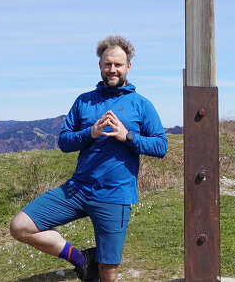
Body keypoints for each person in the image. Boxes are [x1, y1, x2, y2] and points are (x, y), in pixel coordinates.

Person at [10, 35, 168, 281]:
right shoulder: (84, 101)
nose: (112, 69)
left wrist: (128, 137)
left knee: (108, 271)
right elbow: (64, 141)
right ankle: (82, 260)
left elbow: (160, 145)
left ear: (128, 67)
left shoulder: (141, 105)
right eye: (108, 64)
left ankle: (96, 265)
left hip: (114, 196)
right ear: (100, 66)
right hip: (78, 189)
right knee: (20, 226)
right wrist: (90, 133)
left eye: (118, 64)